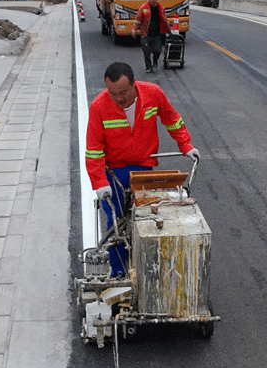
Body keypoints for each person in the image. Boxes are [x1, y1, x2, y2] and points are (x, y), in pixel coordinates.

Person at [86, 62, 200, 277]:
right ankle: (119, 271)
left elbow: (172, 119)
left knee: (151, 216)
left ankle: (154, 268)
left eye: (123, 92)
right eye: (113, 93)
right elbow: (94, 150)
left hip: (144, 167)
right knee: (116, 223)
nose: (119, 98)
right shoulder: (99, 106)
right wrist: (99, 183)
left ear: (134, 84)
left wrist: (186, 145)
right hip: (115, 172)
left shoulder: (152, 94)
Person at [131, 0, 171, 73]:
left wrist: (169, 29)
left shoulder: (161, 8)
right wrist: (134, 28)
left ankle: (155, 60)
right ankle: (148, 67)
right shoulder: (143, 7)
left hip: (156, 34)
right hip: (145, 34)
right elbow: (138, 19)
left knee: (157, 51)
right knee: (146, 51)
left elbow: (165, 19)